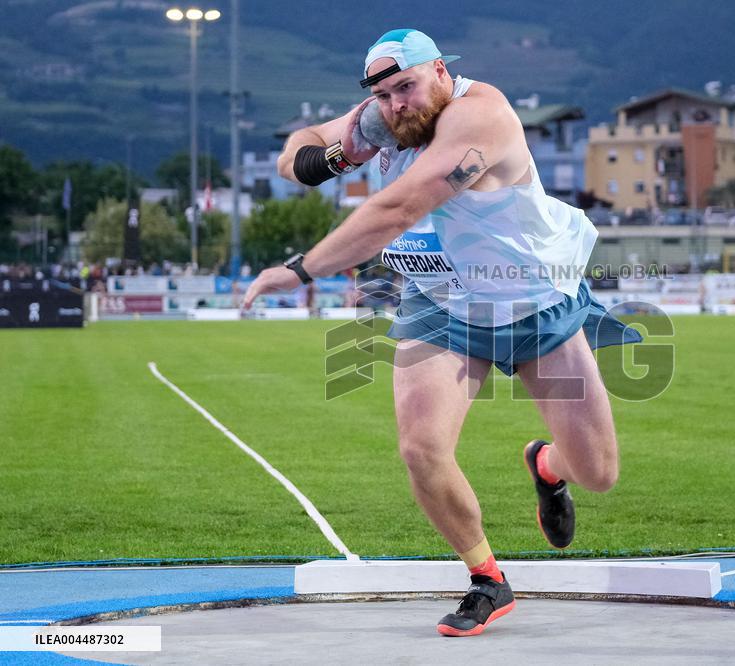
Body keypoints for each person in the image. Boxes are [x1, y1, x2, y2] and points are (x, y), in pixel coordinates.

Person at [242, 29, 641, 637]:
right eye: (383, 94)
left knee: (600, 472)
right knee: (421, 449)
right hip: (442, 304)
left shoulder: (479, 119)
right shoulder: (383, 117)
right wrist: (327, 156)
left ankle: (549, 466)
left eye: (406, 86)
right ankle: (487, 578)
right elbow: (298, 149)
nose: (397, 103)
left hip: (533, 302)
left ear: (441, 72)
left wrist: (299, 270)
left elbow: (396, 211)